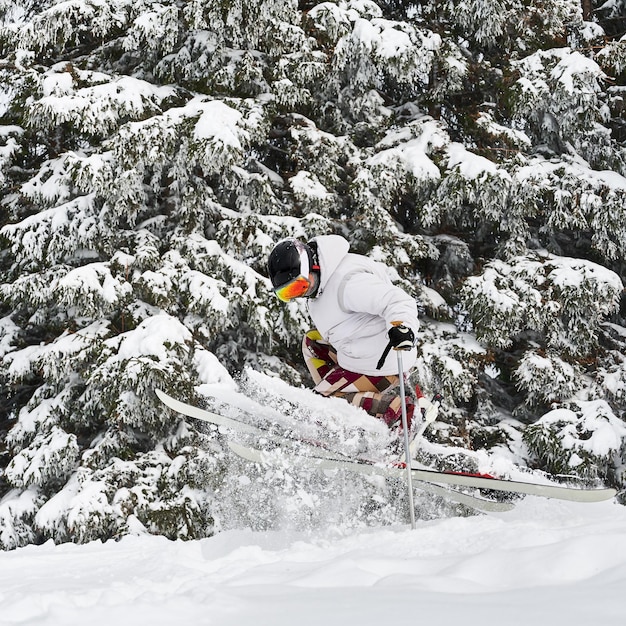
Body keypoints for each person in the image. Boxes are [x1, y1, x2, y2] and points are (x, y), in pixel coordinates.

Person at [267, 234, 425, 430]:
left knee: (323, 402)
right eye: (288, 293)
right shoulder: (321, 284)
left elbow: (397, 300)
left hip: (381, 364)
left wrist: (401, 326)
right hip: (360, 353)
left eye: (299, 286)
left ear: (313, 266)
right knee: (312, 343)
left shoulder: (348, 283)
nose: (299, 294)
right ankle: (343, 411)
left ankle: (399, 411)